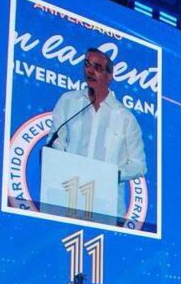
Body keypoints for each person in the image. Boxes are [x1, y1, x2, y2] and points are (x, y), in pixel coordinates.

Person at [49, 47, 147, 186]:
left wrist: (112, 175)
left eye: (97, 67)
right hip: (68, 191)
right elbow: (55, 142)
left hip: (107, 200)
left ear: (109, 76)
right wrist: (67, 167)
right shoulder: (67, 101)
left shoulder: (126, 119)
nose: (89, 71)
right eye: (87, 65)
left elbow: (139, 165)